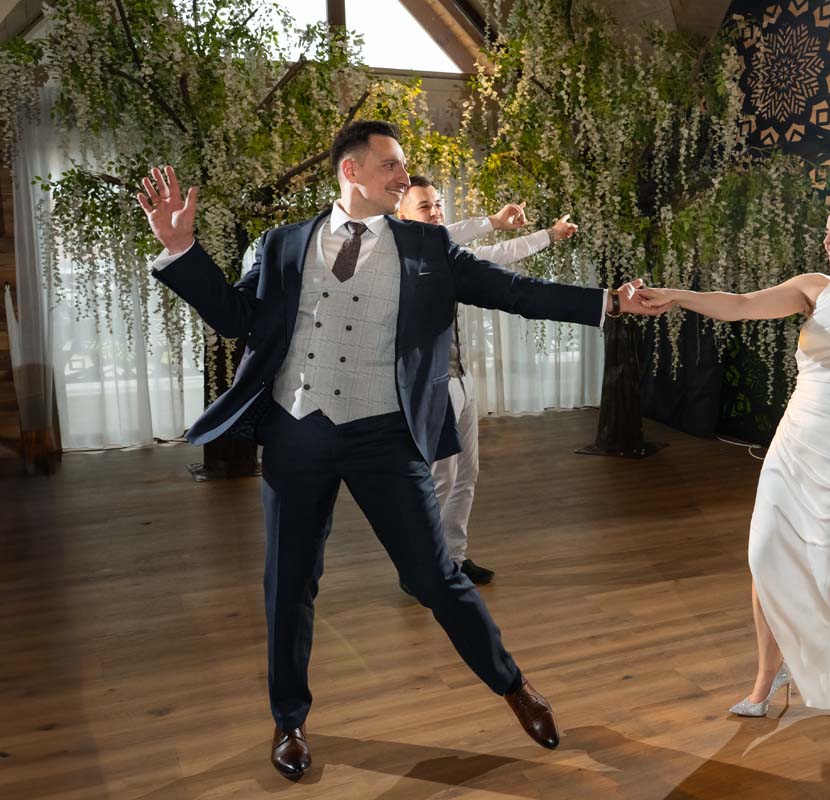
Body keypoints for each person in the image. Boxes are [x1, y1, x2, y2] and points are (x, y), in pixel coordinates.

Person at [135, 120, 663, 778]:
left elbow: (516, 293)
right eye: (390, 164)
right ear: (350, 170)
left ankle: (513, 686)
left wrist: (610, 302)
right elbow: (238, 318)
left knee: (436, 577)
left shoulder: (428, 246)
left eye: (404, 167)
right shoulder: (281, 244)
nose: (403, 176)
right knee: (289, 582)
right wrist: (181, 249)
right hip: (296, 432)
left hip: (384, 433)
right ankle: (289, 720)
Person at [639, 198, 830, 717]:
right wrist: (678, 296)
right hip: (793, 441)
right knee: (765, 558)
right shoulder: (814, 289)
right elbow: (741, 305)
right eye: (827, 231)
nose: (828, 239)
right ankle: (768, 675)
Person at [397, 175, 578, 586]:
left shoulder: (448, 255)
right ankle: (419, 568)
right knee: (439, 481)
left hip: (462, 380)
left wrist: (549, 235)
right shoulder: (400, 253)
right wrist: (492, 221)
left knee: (466, 475)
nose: (436, 212)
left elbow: (498, 255)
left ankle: (454, 557)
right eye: (425, 206)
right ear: (401, 216)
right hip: (432, 385)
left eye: (438, 204)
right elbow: (447, 235)